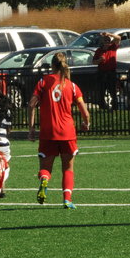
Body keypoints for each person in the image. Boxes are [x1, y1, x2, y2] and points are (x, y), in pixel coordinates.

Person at [28, 52, 90, 209]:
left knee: (45, 167)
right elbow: (85, 111)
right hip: (67, 132)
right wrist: (86, 123)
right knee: (68, 168)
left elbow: (31, 104)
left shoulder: (43, 82)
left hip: (48, 132)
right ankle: (67, 200)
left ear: (52, 65)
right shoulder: (72, 86)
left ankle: (44, 179)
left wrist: (31, 128)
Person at [92, 32, 122, 110]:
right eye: (105, 41)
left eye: (108, 41)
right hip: (102, 73)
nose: (107, 42)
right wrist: (100, 60)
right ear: (102, 42)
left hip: (111, 73)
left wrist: (109, 34)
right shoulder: (99, 50)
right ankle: (102, 108)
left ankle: (114, 108)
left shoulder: (112, 47)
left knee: (113, 92)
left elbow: (118, 38)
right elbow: (94, 62)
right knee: (101, 92)